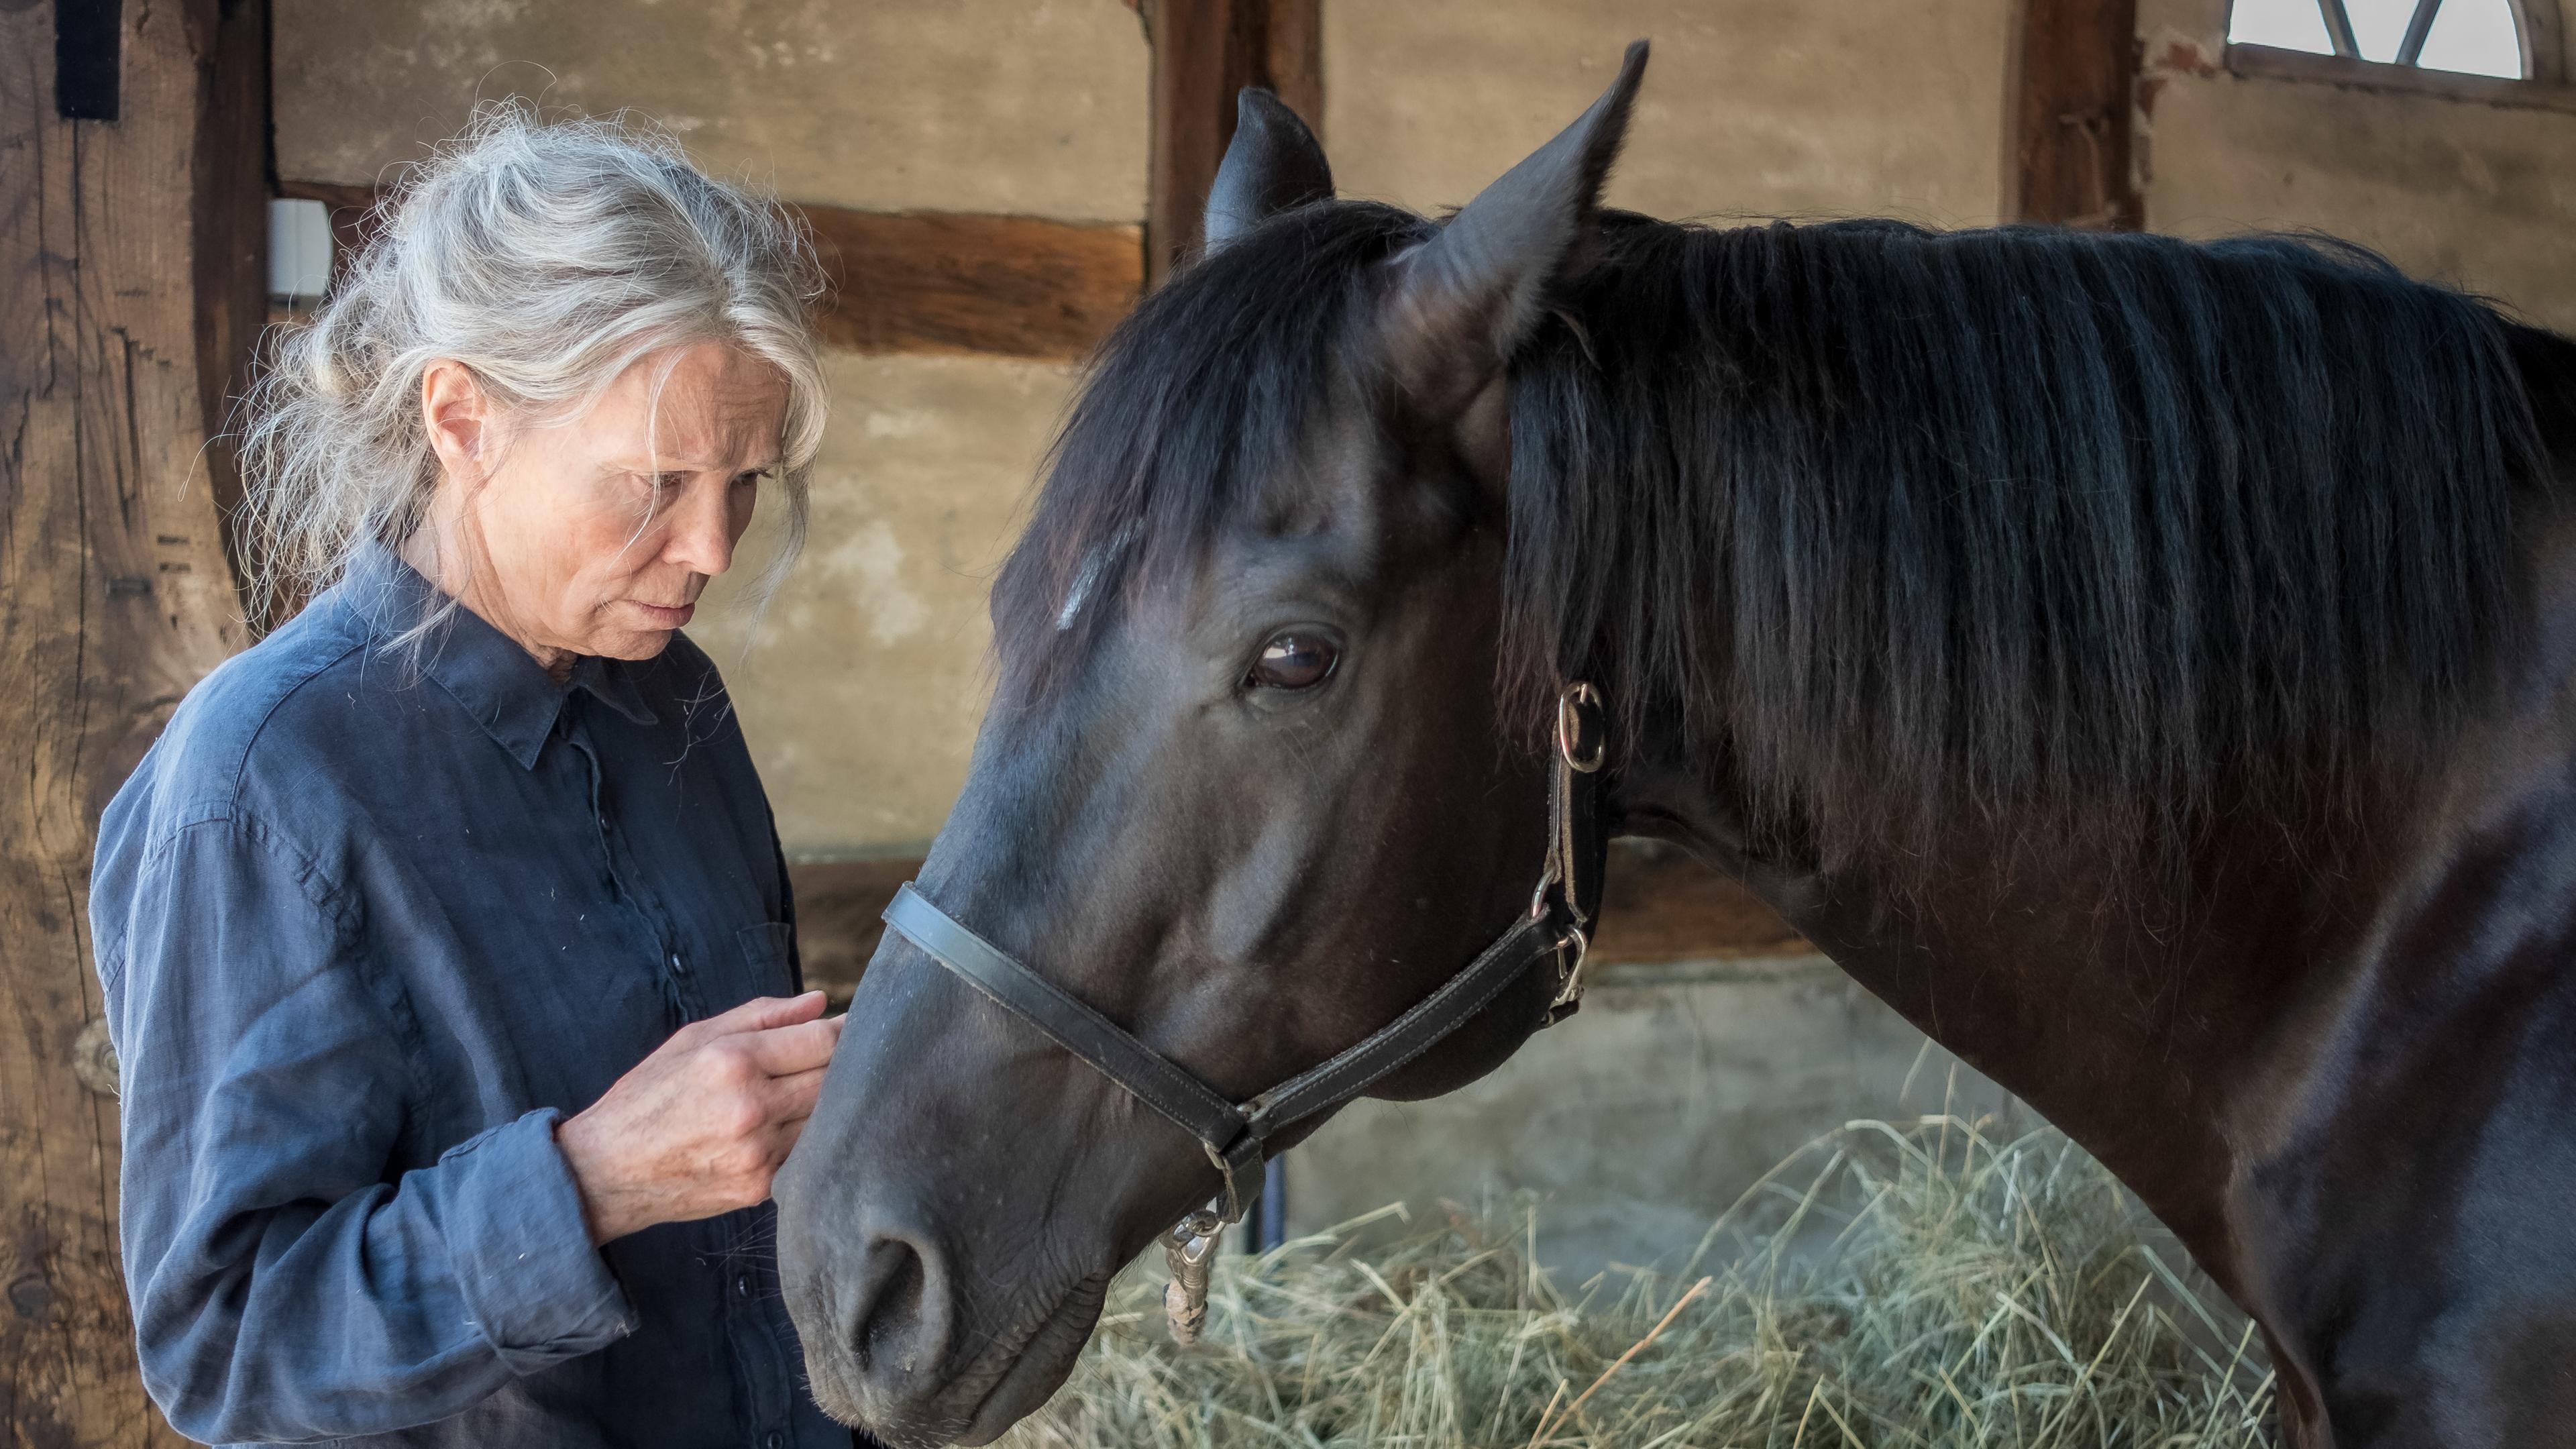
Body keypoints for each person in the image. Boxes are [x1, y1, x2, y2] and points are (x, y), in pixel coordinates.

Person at [89, 109, 863, 1447]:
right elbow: (226, 1350)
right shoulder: (266, 779)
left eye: (744, 481)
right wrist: (593, 1180)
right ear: (462, 418)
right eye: (654, 479)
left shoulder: (670, 695)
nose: (712, 548)